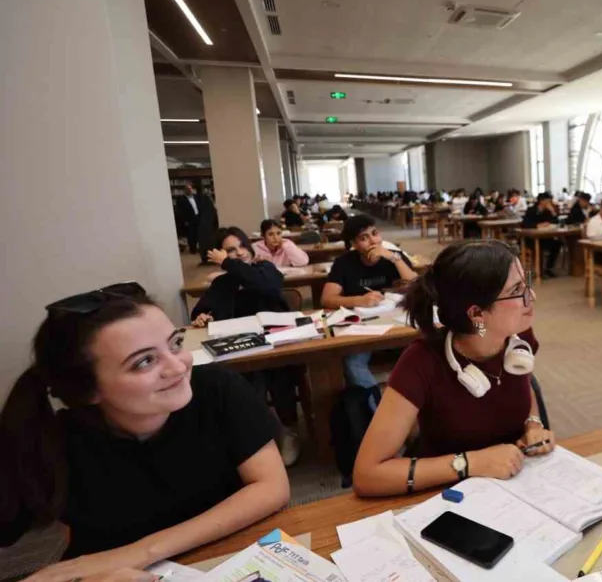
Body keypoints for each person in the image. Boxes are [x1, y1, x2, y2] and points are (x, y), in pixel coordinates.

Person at [0, 284, 288, 580]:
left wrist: (141, 552)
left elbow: (271, 487)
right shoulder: (49, 441)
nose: (177, 366)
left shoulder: (218, 390)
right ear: (87, 390)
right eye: (144, 361)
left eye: (175, 343)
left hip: (229, 554)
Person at [351, 240, 553, 496]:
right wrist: (470, 463)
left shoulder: (516, 337)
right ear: (477, 314)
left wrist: (533, 425)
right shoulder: (421, 362)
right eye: (517, 290)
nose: (531, 296)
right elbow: (367, 474)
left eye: (527, 283)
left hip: (517, 483)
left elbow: (523, 382)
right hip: (450, 495)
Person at [191, 227, 303, 466]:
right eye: (231, 250)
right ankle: (261, 437)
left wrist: (230, 264)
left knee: (277, 375)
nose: (239, 253)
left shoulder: (264, 270)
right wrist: (202, 316)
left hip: (276, 345)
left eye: (242, 246)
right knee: (244, 384)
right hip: (240, 350)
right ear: (219, 254)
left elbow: (269, 288)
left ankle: (287, 430)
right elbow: (201, 308)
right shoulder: (223, 283)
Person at [321, 216, 420, 390]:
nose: (373, 241)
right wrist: (360, 300)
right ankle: (376, 409)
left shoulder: (392, 256)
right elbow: (327, 298)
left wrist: (395, 258)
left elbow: (418, 286)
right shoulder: (344, 263)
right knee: (353, 364)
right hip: (363, 326)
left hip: (396, 321)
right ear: (354, 243)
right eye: (364, 238)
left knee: (426, 350)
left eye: (374, 234)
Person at [521, 192, 561, 279]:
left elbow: (556, 222)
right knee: (539, 247)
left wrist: (553, 212)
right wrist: (537, 225)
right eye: (547, 201)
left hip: (544, 237)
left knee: (557, 243)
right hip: (531, 238)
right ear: (541, 201)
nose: (549, 203)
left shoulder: (548, 211)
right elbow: (525, 224)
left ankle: (548, 268)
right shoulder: (531, 210)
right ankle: (539, 271)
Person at [174, 183, 201, 255]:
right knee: (191, 235)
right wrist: (184, 221)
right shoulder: (181, 199)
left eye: (190, 189)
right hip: (189, 219)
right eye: (187, 189)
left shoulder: (196, 197)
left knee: (199, 233)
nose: (189, 190)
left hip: (198, 217)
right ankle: (193, 249)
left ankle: (200, 248)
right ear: (185, 190)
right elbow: (180, 211)